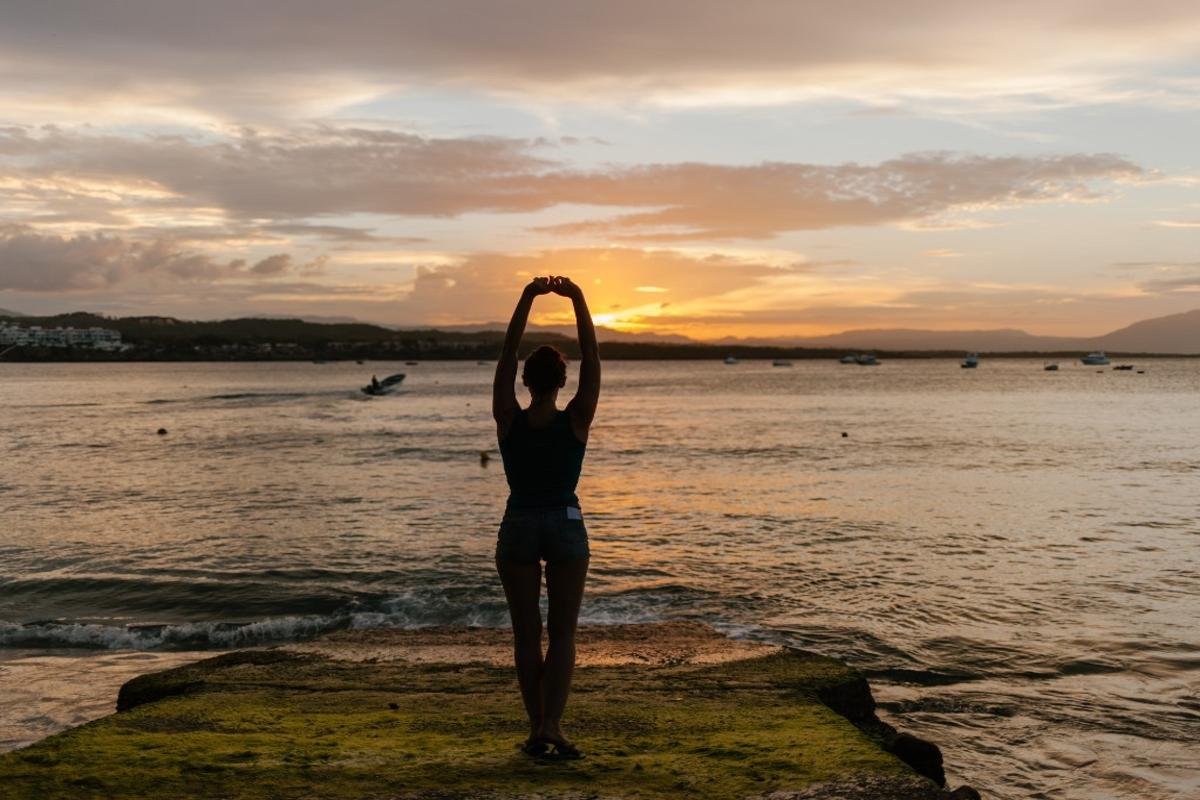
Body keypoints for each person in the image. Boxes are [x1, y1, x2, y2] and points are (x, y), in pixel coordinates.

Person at [492, 275, 600, 760]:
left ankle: (536, 727)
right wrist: (578, 298)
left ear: (524, 381)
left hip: (518, 523)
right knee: (562, 633)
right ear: (561, 382)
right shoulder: (576, 419)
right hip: (565, 524)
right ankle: (552, 726)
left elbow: (505, 355)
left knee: (525, 633)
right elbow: (593, 361)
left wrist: (526, 298)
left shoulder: (509, 418)